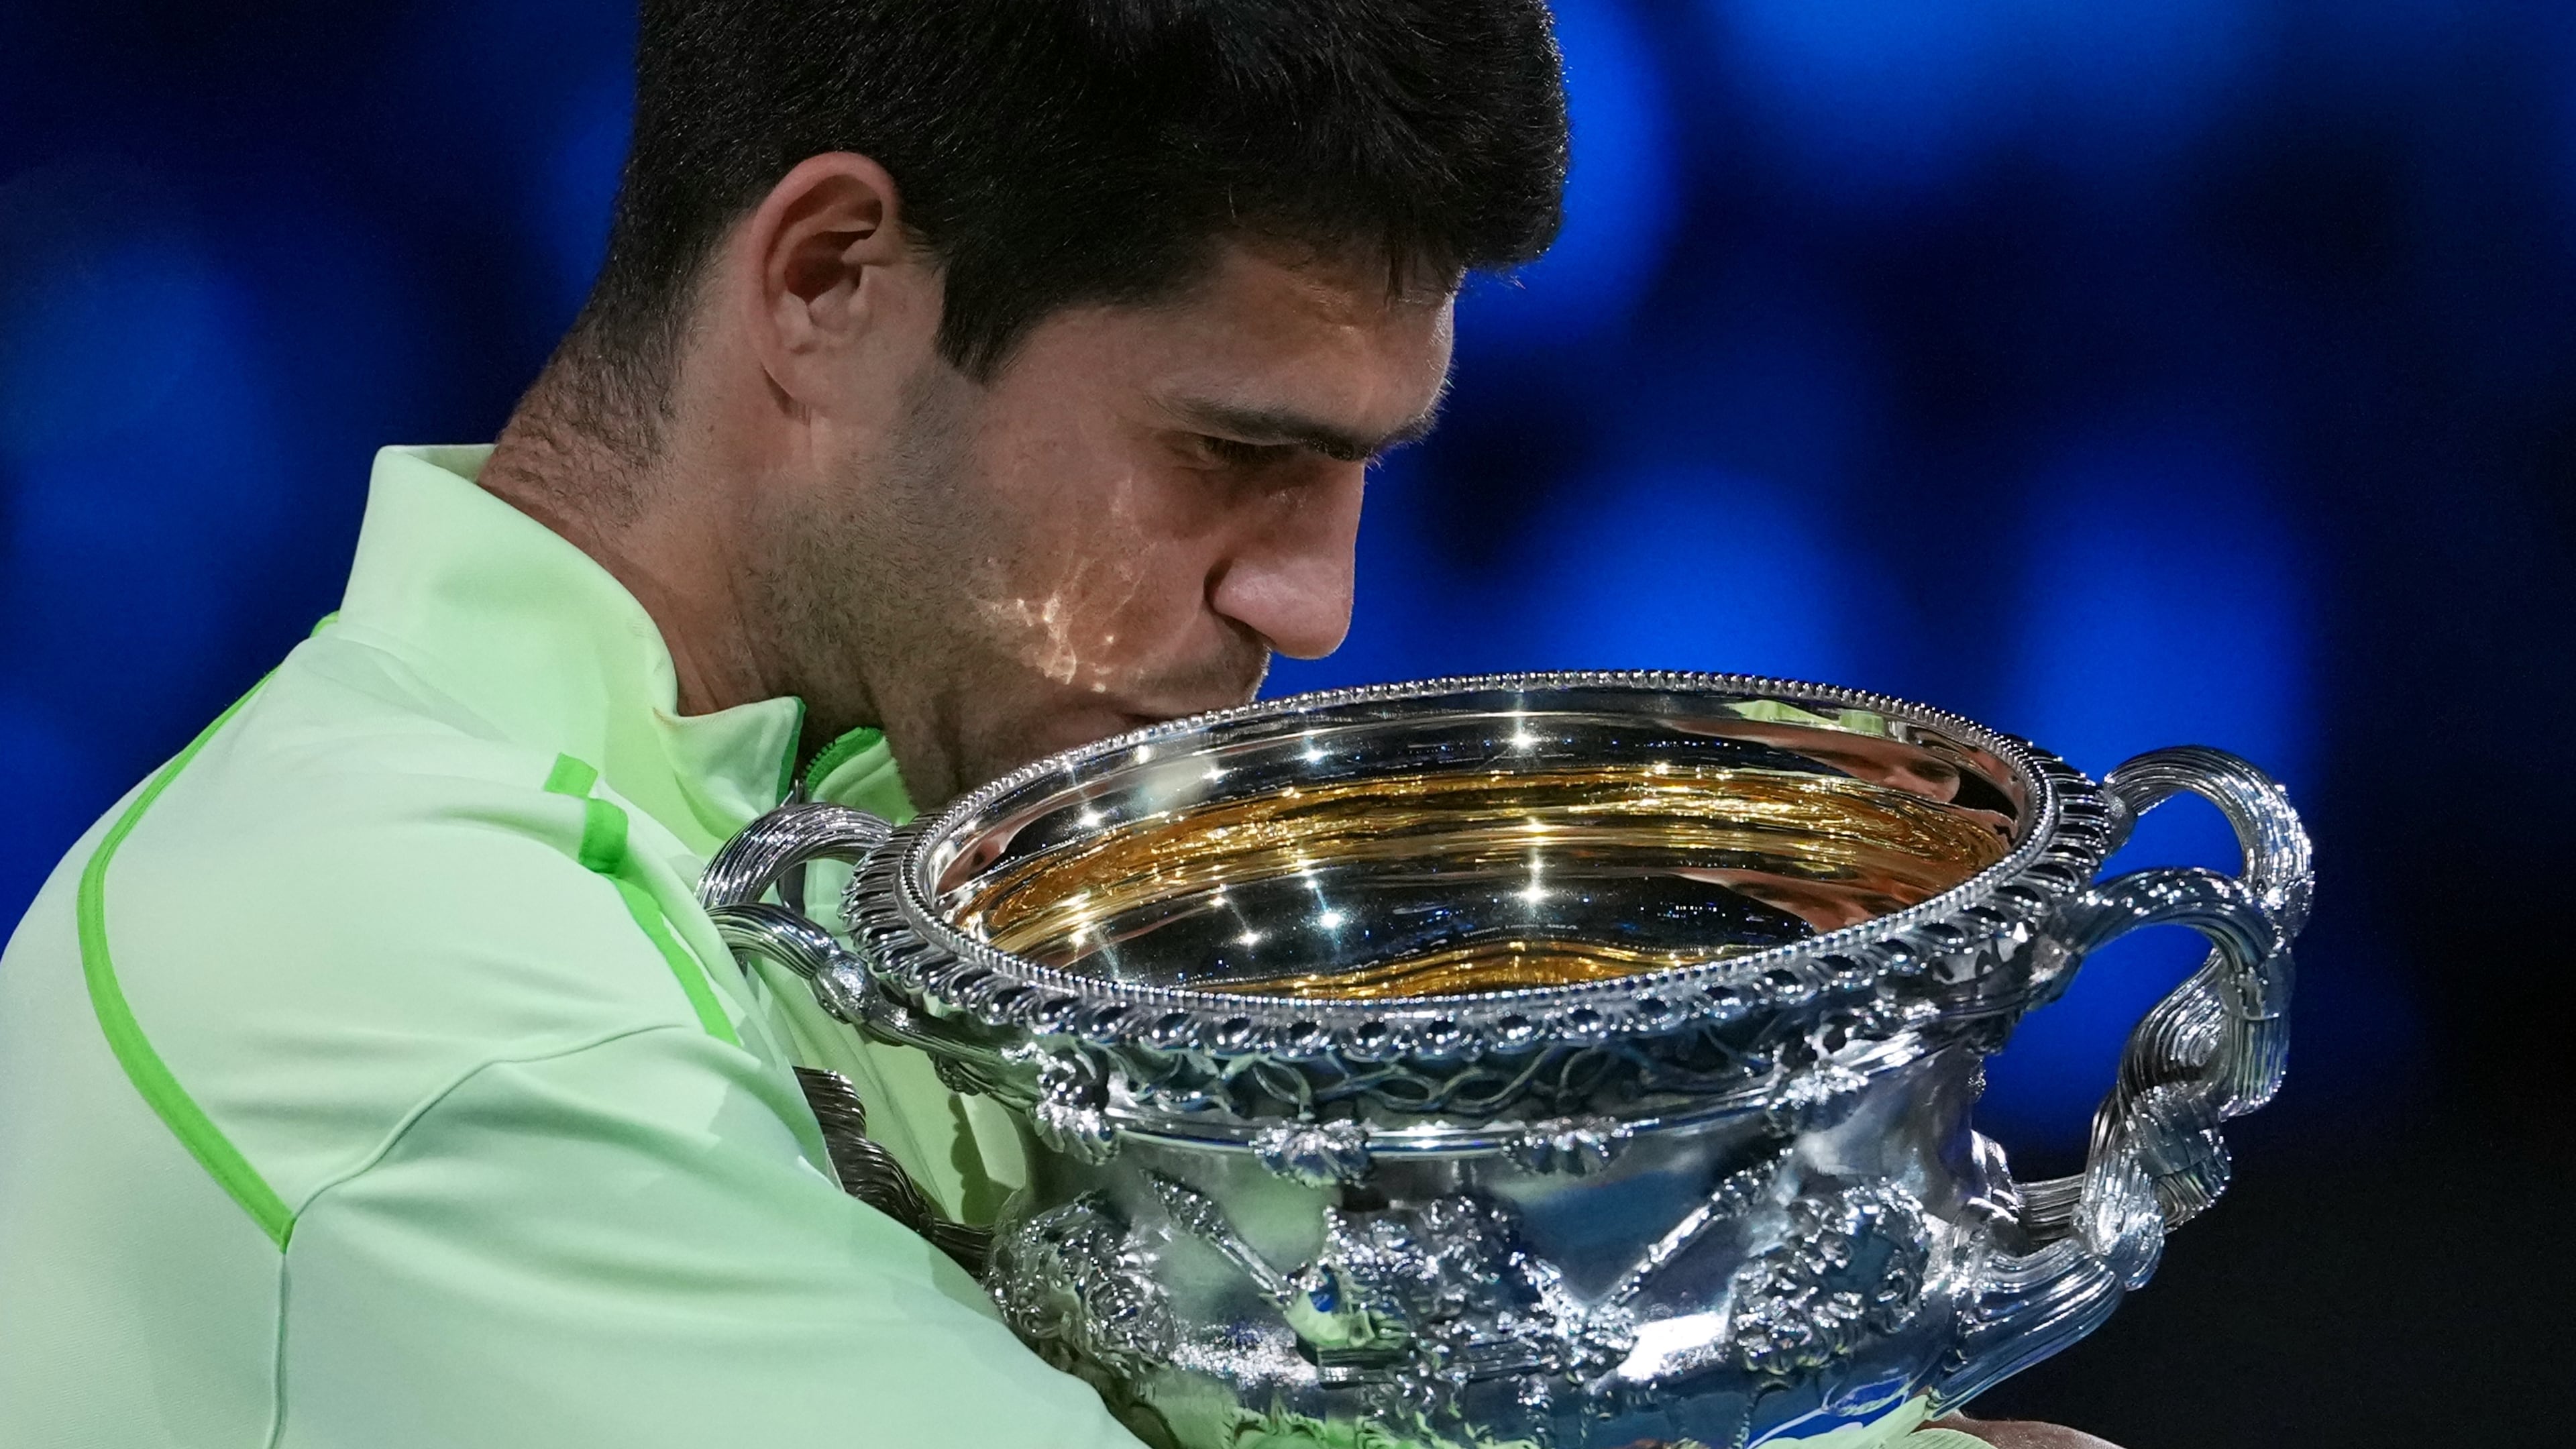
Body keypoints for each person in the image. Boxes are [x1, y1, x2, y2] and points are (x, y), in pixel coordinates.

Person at [0, 2, 2110, 1445]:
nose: (1317, 601)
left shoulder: (956, 856)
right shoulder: (388, 979)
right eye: (1227, 451)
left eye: (1366, 470)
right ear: (828, 281)